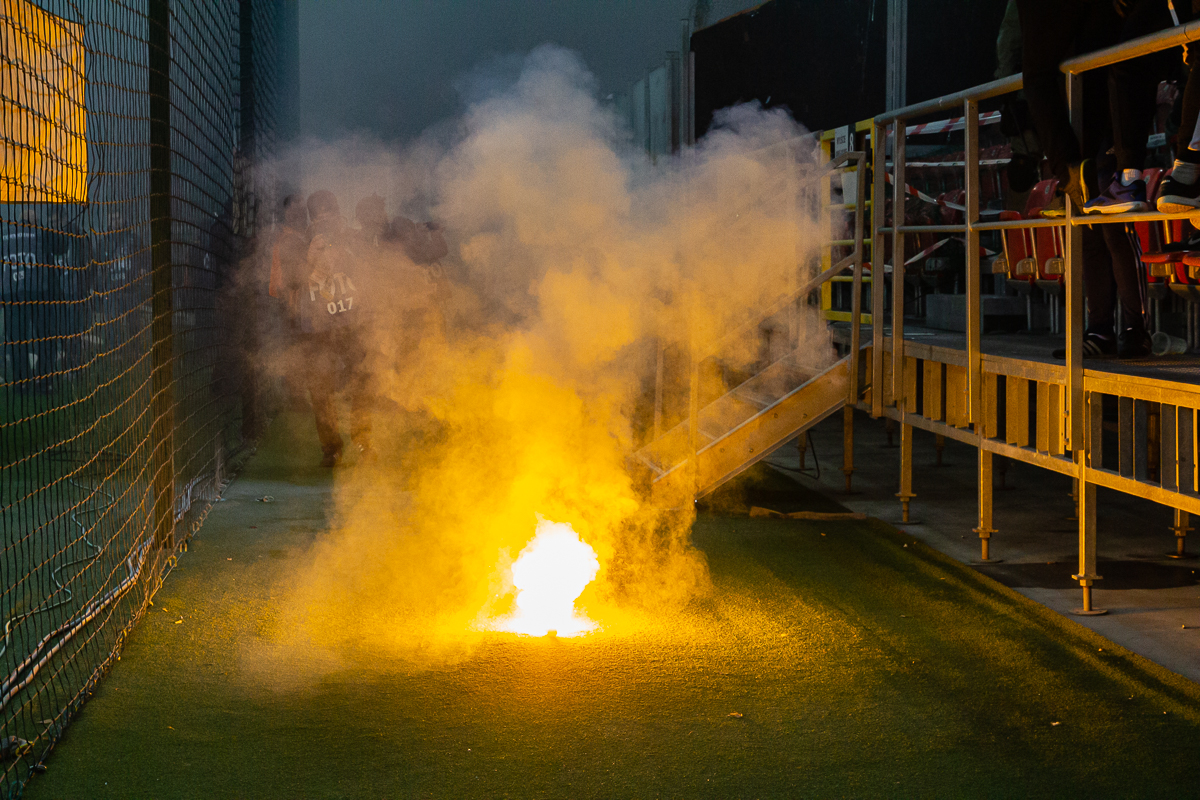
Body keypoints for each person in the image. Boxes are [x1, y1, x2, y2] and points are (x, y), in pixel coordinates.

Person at [300, 190, 374, 466]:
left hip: (353, 324)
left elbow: (373, 270)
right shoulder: (303, 243)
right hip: (319, 329)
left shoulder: (353, 238)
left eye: (329, 213)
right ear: (312, 218)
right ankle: (331, 449)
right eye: (318, 216)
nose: (325, 221)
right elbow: (291, 287)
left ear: (337, 213)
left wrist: (344, 244)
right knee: (320, 390)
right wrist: (310, 257)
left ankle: (364, 443)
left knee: (363, 382)